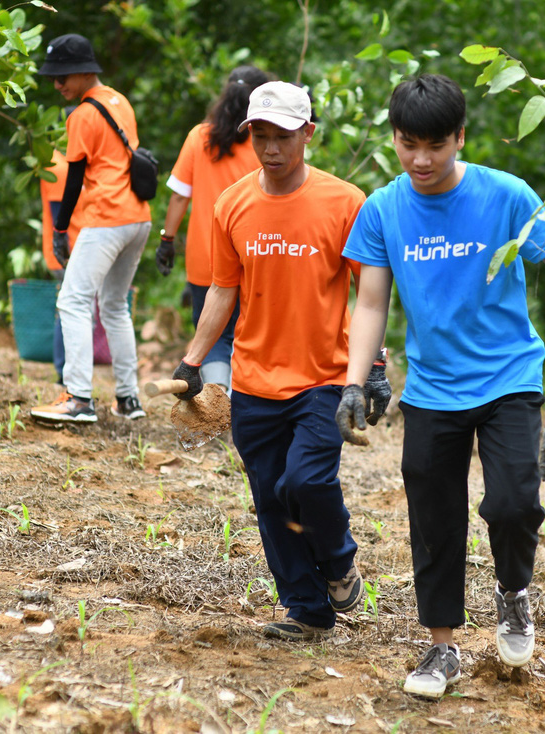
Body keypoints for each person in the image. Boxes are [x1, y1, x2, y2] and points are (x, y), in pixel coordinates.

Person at [335, 74, 545, 699]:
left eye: (435, 145)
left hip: (508, 376)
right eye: (408, 145)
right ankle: (441, 647)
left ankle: (513, 593)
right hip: (431, 388)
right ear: (396, 140)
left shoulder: (507, 195)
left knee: (514, 503)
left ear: (461, 136)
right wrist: (355, 381)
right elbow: (372, 302)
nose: (422, 160)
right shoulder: (383, 209)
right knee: (434, 519)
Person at [170, 81, 375, 642]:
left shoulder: (345, 202)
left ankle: (337, 561)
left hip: (323, 377)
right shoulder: (231, 203)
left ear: (308, 134)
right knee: (268, 495)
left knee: (306, 481)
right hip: (254, 379)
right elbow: (221, 291)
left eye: (283, 136)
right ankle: (306, 608)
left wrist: (372, 367)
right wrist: (191, 364)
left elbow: (370, 297)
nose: (271, 149)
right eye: (260, 136)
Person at [31, 34, 151, 423]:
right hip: (139, 217)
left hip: (107, 218)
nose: (57, 84)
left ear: (85, 71)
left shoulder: (82, 114)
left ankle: (79, 398)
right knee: (115, 306)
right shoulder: (120, 101)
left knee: (73, 300)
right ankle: (128, 398)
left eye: (63, 75)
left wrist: (61, 228)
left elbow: (75, 177)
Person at [158, 65, 271, 392]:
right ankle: (250, 398)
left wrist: (167, 240)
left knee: (213, 334)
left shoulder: (199, 137)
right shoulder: (264, 142)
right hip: (255, 253)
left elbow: (179, 198)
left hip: (204, 256)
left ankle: (219, 394)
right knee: (250, 331)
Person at [39, 146, 86, 384]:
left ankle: (66, 371)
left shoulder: (69, 163)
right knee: (71, 309)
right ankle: (63, 372)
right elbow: (60, 221)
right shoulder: (58, 166)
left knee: (70, 307)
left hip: (78, 248)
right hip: (68, 252)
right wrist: (65, 259)